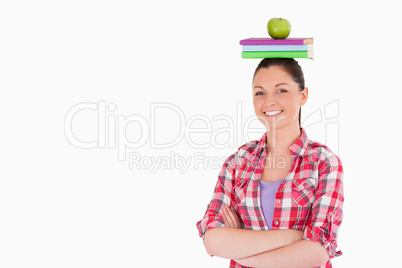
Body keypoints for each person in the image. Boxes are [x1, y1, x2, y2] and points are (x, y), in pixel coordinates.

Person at [196, 58, 344, 268]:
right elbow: (213, 240)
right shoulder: (238, 162)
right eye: (259, 92)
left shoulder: (324, 163)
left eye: (281, 90)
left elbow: (317, 252)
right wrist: (298, 236)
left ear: (303, 95)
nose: (269, 101)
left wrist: (240, 243)